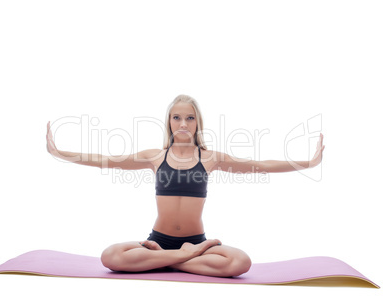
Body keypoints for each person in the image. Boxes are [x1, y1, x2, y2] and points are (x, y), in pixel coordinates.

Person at [46, 94, 325, 277]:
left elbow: (261, 165)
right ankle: (180, 258)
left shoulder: (210, 157)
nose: (183, 123)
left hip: (197, 243)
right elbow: (107, 160)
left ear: (197, 123)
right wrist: (60, 153)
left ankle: (167, 261)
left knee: (241, 262)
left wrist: (307, 163)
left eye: (189, 118)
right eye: (177, 117)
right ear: (169, 121)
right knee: (110, 257)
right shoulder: (156, 156)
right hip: (158, 240)